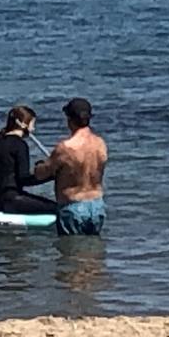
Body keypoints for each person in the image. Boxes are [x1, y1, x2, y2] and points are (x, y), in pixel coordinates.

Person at [30, 97, 107, 235]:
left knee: (71, 253)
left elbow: (42, 173)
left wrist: (39, 165)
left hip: (73, 206)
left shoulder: (66, 148)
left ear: (69, 120)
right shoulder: (100, 144)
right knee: (94, 251)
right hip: (97, 205)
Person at [0, 105, 58, 215]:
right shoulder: (20, 145)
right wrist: (50, 175)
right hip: (11, 200)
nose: (33, 128)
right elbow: (24, 179)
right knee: (57, 209)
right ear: (22, 123)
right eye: (32, 124)